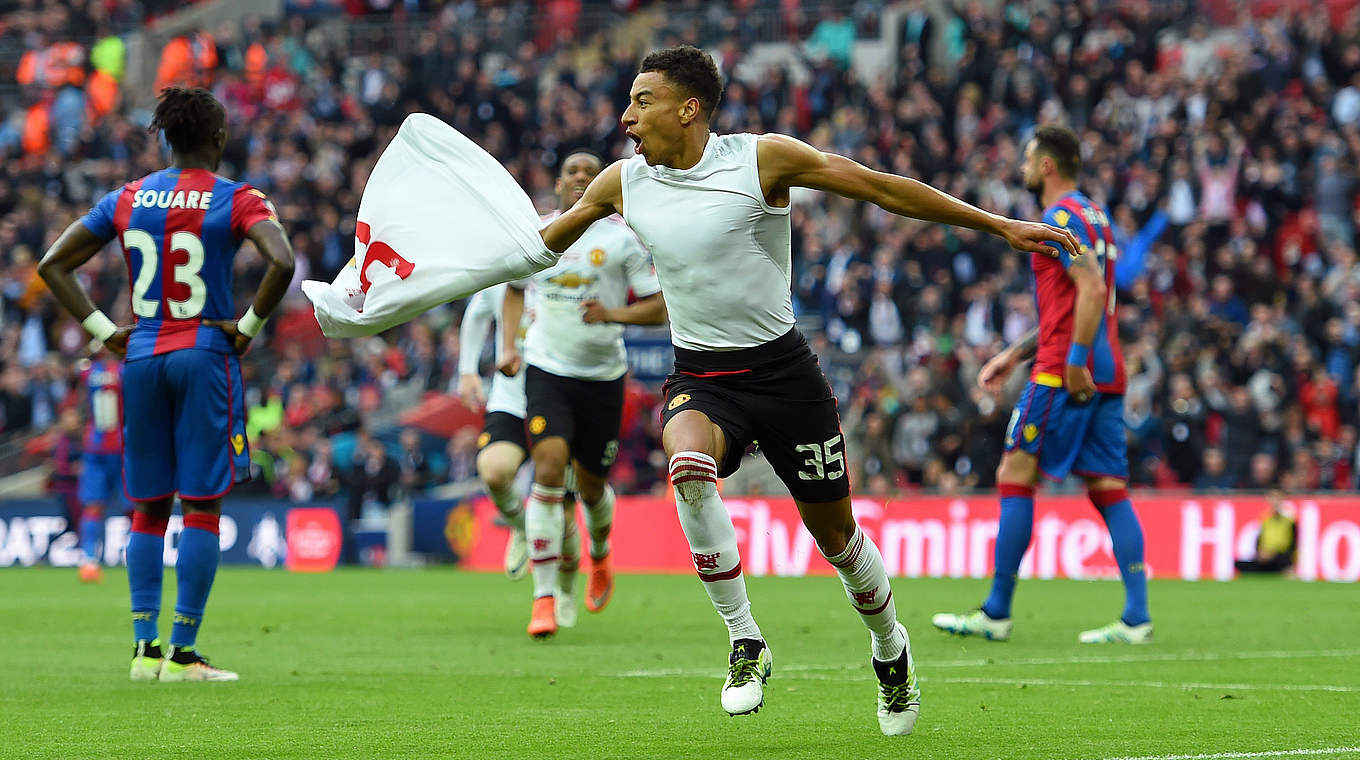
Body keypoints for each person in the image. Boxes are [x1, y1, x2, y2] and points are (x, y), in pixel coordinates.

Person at [531, 47, 1080, 735]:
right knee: (688, 467)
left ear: (688, 108)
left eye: (642, 100)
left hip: (785, 378)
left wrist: (997, 226)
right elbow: (540, 245)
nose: (627, 115)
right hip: (702, 376)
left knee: (838, 538)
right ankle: (745, 640)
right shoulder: (622, 182)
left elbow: (880, 186)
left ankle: (891, 648)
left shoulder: (761, 161)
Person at [38, 87, 295, 682]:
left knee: (148, 507)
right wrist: (250, 326)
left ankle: (143, 648)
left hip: (143, 355)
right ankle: (183, 652)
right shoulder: (236, 198)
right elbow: (280, 261)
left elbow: (52, 263)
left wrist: (105, 331)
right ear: (220, 138)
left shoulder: (129, 197)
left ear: (166, 139)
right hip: (203, 352)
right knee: (201, 503)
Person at [932, 125, 1152, 646]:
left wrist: (1072, 361)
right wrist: (1011, 354)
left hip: (1063, 370)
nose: (1025, 167)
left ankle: (996, 611)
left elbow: (1091, 290)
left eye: (1030, 158)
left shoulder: (1059, 218)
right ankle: (1137, 618)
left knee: (1015, 472)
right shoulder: (1096, 216)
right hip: (1108, 370)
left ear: (1048, 165)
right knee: (1108, 488)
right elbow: (1073, 302)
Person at [499, 149, 666, 639]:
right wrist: (509, 345)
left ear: (603, 187)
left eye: (590, 174)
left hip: (602, 377)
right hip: (547, 369)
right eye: (572, 172)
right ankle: (544, 598)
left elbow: (658, 308)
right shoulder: (540, 234)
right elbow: (512, 288)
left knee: (591, 488)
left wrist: (613, 315)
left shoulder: (622, 243)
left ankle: (598, 553)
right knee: (548, 471)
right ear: (558, 183)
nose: (579, 179)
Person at [457, 283, 533, 579]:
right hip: (511, 396)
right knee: (493, 470)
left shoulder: (575, 268)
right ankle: (522, 527)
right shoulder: (510, 271)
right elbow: (477, 312)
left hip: (563, 395)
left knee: (569, 490)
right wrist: (467, 370)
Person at [75, 353, 125, 583]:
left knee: (95, 506)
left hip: (98, 446)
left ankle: (88, 560)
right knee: (132, 507)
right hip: (120, 446)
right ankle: (90, 560)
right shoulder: (126, 370)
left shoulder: (88, 372)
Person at [1235, 489, 1296, 574]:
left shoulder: (1290, 518)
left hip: (1281, 555)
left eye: (1277, 498)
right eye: (1272, 497)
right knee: (1239, 564)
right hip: (1264, 555)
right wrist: (1260, 553)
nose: (1274, 501)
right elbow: (1258, 539)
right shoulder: (1264, 517)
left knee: (1282, 563)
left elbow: (1293, 543)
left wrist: (1272, 553)